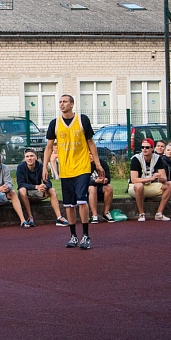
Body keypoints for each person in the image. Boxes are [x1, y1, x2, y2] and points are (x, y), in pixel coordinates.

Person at [43, 94, 104, 250]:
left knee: (82, 200)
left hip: (82, 167)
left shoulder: (82, 120)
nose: (61, 104)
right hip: (66, 169)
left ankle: (85, 235)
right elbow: (49, 147)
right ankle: (73, 236)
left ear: (72, 104)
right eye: (60, 102)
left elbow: (91, 143)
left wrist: (97, 164)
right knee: (69, 205)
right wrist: (45, 166)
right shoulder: (55, 123)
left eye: (65, 102)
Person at [17, 148, 69, 228]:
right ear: (25, 158)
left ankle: (59, 217)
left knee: (52, 190)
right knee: (22, 190)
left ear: (36, 157)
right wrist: (36, 186)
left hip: (39, 192)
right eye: (27, 156)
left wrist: (44, 186)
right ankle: (30, 218)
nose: (29, 158)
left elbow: (48, 182)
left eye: (31, 156)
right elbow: (20, 184)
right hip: (26, 193)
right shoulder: (20, 167)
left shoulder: (41, 166)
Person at [128, 138, 171, 222]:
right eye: (142, 147)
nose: (144, 149)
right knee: (139, 186)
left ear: (152, 148)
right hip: (134, 187)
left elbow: (164, 178)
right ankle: (141, 214)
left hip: (150, 186)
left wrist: (160, 177)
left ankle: (159, 213)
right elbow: (134, 179)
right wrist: (151, 178)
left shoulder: (157, 158)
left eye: (147, 147)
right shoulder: (136, 159)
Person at [88, 153, 114, 223]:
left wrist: (105, 180)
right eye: (88, 154)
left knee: (109, 187)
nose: (90, 156)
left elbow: (108, 178)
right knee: (92, 187)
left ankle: (106, 213)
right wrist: (95, 181)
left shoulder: (102, 163)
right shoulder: (83, 165)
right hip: (87, 191)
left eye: (91, 154)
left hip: (100, 189)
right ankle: (94, 215)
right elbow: (82, 182)